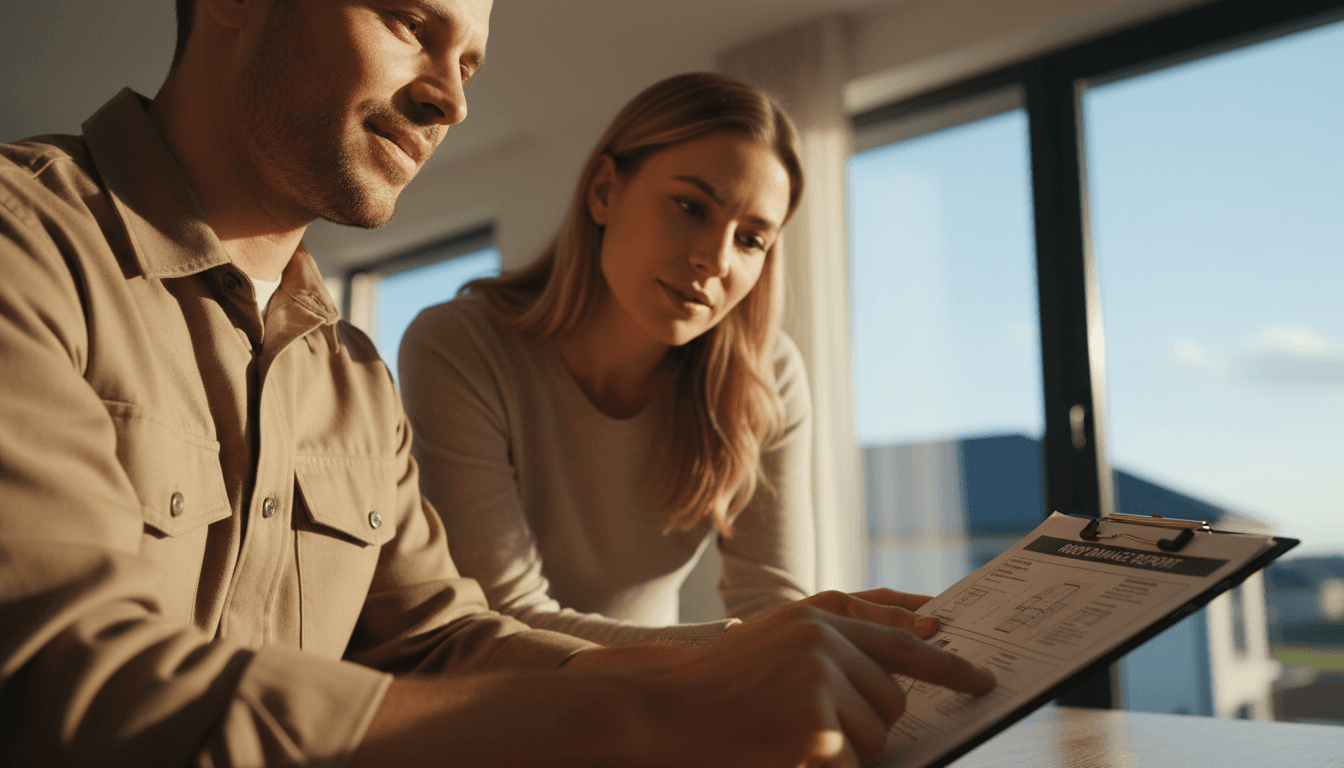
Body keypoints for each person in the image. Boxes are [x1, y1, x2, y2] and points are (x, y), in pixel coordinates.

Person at [0, 0, 994, 766]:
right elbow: (67, 683)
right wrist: (658, 707)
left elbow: (440, 637)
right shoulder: (25, 250)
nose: (452, 97)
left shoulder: (348, 374)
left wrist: (745, 658)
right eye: (408, 23)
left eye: (467, 61)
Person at [399, 73, 815, 645]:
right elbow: (508, 617)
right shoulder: (458, 346)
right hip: (492, 702)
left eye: (751, 240)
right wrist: (748, 653)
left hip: (660, 705)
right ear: (603, 192)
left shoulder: (766, 377)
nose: (716, 260)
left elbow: (775, 605)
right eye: (691, 207)